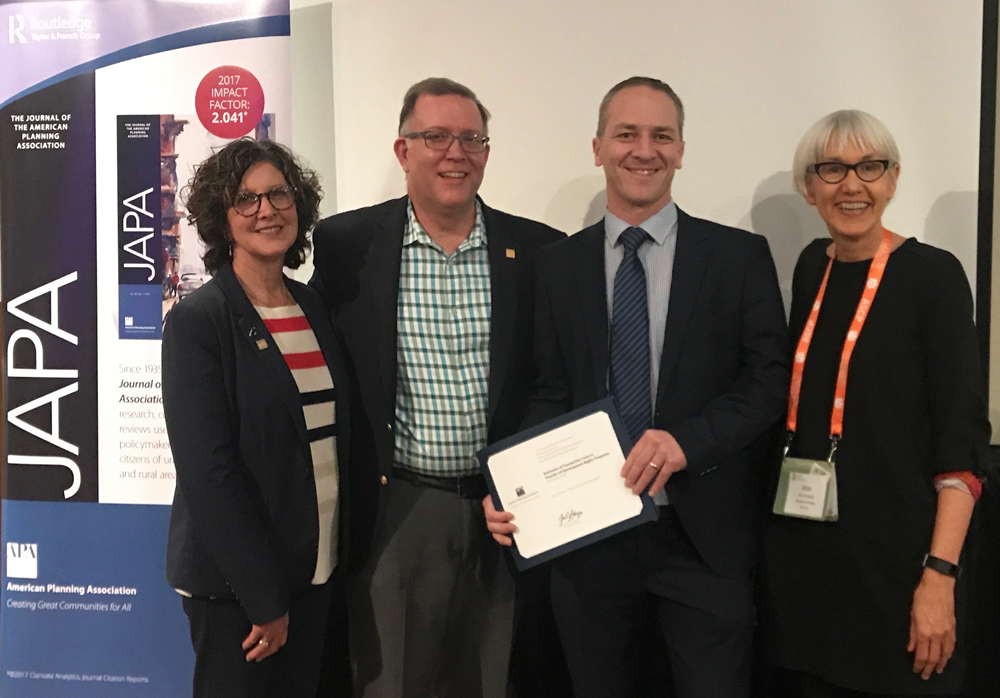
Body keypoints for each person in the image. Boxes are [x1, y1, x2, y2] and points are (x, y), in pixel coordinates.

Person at [486, 76, 790, 698]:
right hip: (589, 538)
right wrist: (513, 488)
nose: (643, 150)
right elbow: (547, 391)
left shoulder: (738, 257)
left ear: (681, 150)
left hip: (701, 538)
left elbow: (767, 383)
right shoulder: (557, 266)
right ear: (598, 147)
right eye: (626, 134)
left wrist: (687, 442)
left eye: (661, 136)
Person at [309, 77, 565, 698]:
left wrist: (525, 481)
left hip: (505, 509)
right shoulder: (347, 246)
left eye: (472, 138)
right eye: (436, 137)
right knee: (390, 679)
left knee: (495, 675)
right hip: (397, 504)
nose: (457, 152)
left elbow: (552, 381)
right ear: (403, 151)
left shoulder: (537, 251)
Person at [756, 110, 992, 698]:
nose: (852, 185)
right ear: (809, 188)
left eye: (870, 167)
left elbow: (960, 438)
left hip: (902, 571)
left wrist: (940, 576)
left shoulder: (933, 276)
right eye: (832, 169)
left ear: (892, 179)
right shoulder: (813, 265)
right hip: (812, 568)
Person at [162, 138, 351, 698]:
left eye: (278, 195)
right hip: (241, 594)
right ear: (222, 219)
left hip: (316, 573)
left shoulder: (313, 307)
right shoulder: (200, 322)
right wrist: (263, 598)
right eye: (245, 200)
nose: (266, 210)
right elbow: (209, 473)